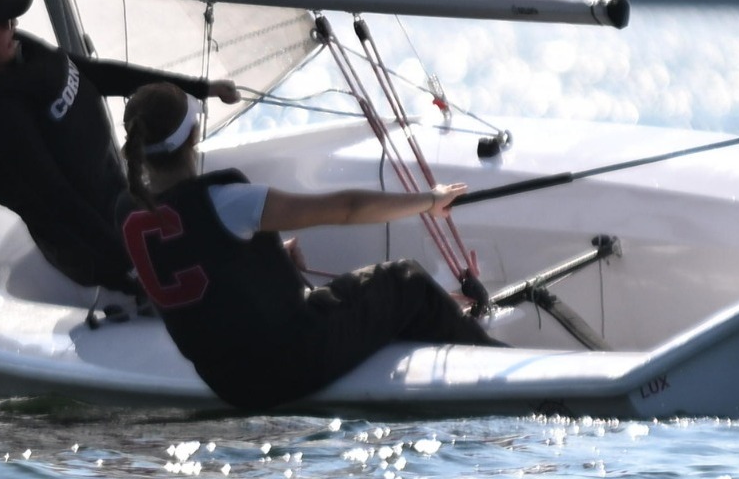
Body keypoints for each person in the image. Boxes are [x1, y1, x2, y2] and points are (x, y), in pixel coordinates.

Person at [118, 81, 503, 409]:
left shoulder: (129, 216)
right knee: (406, 282)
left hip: (232, 385)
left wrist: (263, 266)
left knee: (358, 300)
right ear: (193, 136)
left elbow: (198, 276)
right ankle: (498, 371)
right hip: (292, 366)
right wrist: (429, 201)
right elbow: (347, 209)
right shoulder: (228, 201)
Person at [0, 0, 238, 295]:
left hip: (124, 200)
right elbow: (56, 203)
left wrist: (200, 87)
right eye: (2, 20)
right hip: (99, 248)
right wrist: (133, 268)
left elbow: (95, 74)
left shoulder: (12, 52)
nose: (14, 22)